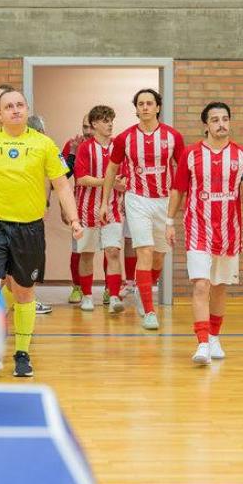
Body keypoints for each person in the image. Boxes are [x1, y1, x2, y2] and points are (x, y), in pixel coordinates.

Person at [0, 88, 83, 378]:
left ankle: (22, 354)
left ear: (27, 110)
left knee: (24, 292)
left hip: (29, 228)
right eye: (9, 106)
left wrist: (74, 219)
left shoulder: (44, 144)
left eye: (20, 105)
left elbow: (62, 185)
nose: (15, 110)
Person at [166, 102, 243, 364]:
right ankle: (202, 343)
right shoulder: (191, 154)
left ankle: (215, 337)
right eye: (215, 120)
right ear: (206, 125)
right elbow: (178, 190)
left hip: (229, 231)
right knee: (201, 285)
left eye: (225, 119)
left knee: (219, 287)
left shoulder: (241, 155)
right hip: (198, 229)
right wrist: (169, 221)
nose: (221, 124)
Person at [99, 88, 184, 330]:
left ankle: (141, 289)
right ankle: (149, 311)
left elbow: (182, 170)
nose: (145, 107)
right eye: (140, 104)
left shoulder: (173, 136)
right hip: (137, 199)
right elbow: (112, 169)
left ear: (157, 107)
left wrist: (184, 200)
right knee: (144, 251)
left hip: (164, 201)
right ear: (136, 109)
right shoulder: (125, 138)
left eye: (149, 103)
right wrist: (104, 202)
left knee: (158, 256)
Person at [73, 105, 126, 313]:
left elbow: (124, 179)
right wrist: (108, 181)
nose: (110, 124)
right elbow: (81, 179)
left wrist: (121, 184)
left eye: (111, 120)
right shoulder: (85, 148)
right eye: (105, 121)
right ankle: (87, 296)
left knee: (113, 252)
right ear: (94, 124)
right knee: (87, 254)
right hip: (87, 210)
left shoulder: (119, 147)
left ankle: (113, 296)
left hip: (113, 210)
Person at [62, 112, 92, 305]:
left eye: (91, 126)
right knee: (78, 249)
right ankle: (77, 287)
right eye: (84, 127)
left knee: (110, 249)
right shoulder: (72, 144)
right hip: (79, 205)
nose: (87, 131)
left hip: (105, 205)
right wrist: (63, 206)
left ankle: (109, 290)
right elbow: (61, 178)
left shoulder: (111, 144)